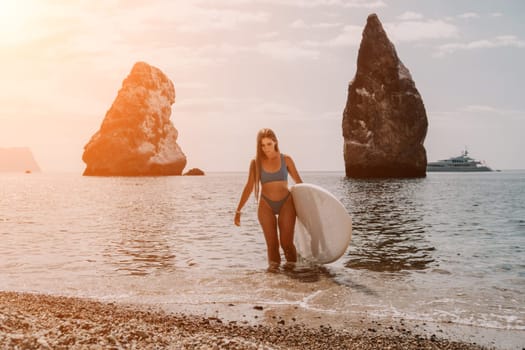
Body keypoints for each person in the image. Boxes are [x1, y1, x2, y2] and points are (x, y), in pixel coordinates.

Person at [234, 128, 303, 271]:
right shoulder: (256, 162)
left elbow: (299, 182)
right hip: (266, 205)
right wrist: (238, 210)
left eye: (269, 144)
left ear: (275, 142)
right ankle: (274, 281)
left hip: (286, 203)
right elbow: (249, 187)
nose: (266, 148)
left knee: (287, 244)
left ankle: (294, 276)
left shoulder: (286, 159)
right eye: (262, 145)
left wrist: (310, 207)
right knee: (272, 245)